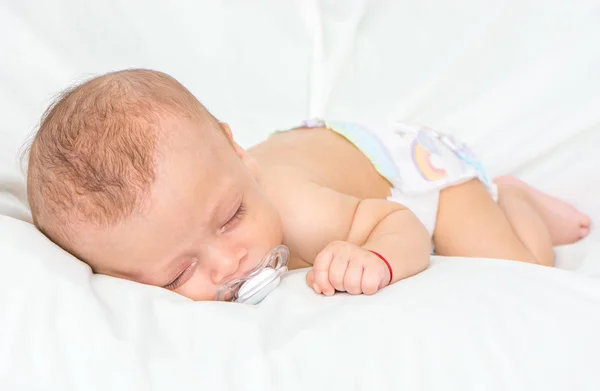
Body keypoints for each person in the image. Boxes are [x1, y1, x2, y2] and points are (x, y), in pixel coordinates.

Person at [25, 69, 590, 301]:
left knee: (526, 277)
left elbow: (400, 222)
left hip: (414, 173)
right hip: (325, 151)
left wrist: (378, 258)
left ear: (238, 153)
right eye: (178, 272)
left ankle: (513, 199)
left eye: (231, 218)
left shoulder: (301, 212)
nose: (228, 261)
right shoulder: (213, 190)